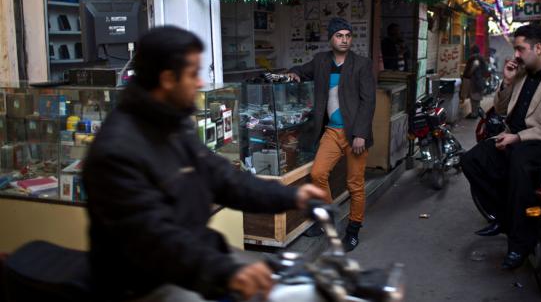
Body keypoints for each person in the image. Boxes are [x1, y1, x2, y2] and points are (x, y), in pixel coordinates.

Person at [83, 26, 327, 302]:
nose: (200, 83)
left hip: (196, 256)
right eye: (193, 74)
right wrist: (227, 272)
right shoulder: (117, 152)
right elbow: (155, 239)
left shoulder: (173, 125)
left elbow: (223, 178)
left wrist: (293, 196)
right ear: (167, 79)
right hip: (146, 283)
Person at [461, 24, 541, 270]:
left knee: (518, 162)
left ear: (538, 48)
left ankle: (519, 244)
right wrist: (506, 82)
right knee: (471, 160)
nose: (515, 55)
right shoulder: (522, 75)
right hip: (511, 137)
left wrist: (519, 138)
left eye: (520, 49)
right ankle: (504, 218)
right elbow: (502, 110)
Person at [286, 17, 376, 252]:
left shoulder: (362, 64)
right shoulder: (321, 61)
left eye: (348, 35)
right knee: (317, 174)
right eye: (339, 35)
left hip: (354, 133)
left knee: (355, 184)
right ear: (331, 38)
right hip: (332, 132)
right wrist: (294, 73)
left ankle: (354, 230)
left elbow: (368, 102)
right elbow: (300, 70)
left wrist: (360, 134)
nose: (344, 40)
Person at [460, 45, 487, 119]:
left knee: (474, 98)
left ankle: (474, 113)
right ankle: (475, 112)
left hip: (475, 80)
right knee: (477, 98)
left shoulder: (474, 57)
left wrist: (469, 73)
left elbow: (475, 65)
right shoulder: (481, 57)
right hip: (480, 80)